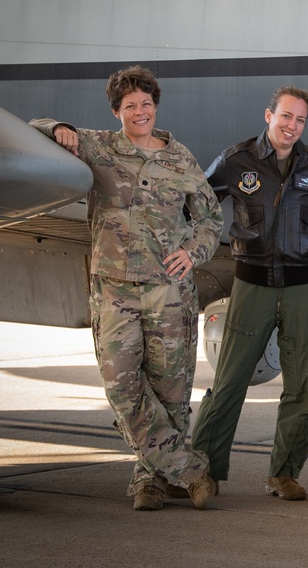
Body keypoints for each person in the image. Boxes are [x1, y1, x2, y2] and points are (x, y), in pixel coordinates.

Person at [29, 66, 222, 511]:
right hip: (114, 289)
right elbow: (35, 130)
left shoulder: (180, 158)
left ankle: (150, 482)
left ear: (156, 107)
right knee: (121, 386)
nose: (140, 112)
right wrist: (57, 127)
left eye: (147, 104)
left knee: (170, 393)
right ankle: (190, 470)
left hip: (169, 292)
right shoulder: (98, 146)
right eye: (130, 105)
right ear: (117, 111)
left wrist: (192, 253)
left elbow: (211, 220)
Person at [189, 86, 308, 501]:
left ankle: (284, 473)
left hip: (307, 285)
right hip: (253, 283)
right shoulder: (236, 159)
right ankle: (203, 471)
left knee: (304, 384)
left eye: (299, 120)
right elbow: (198, 200)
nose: (292, 126)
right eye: (285, 117)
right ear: (268, 115)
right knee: (229, 381)